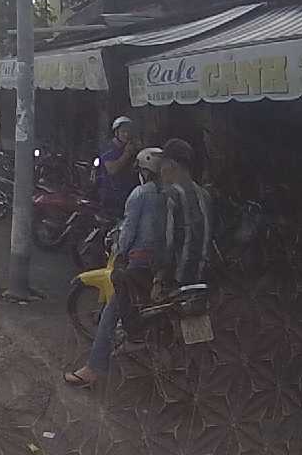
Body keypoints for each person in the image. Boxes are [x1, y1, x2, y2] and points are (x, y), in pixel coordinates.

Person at [65, 147, 166, 388]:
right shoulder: (171, 193)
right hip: (165, 265)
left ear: (143, 171)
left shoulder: (140, 194)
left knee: (112, 310)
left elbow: (129, 230)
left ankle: (93, 369)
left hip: (139, 263)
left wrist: (119, 251)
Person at [160, 138, 212, 290]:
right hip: (203, 277)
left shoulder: (171, 194)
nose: (161, 171)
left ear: (171, 164)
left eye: (162, 165)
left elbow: (167, 242)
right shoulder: (205, 195)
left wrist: (159, 277)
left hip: (176, 280)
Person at [97, 116, 141, 218]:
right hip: (111, 198)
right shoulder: (108, 148)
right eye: (123, 131)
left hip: (128, 195)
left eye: (129, 132)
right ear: (116, 132)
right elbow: (112, 169)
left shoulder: (130, 147)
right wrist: (127, 154)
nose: (127, 134)